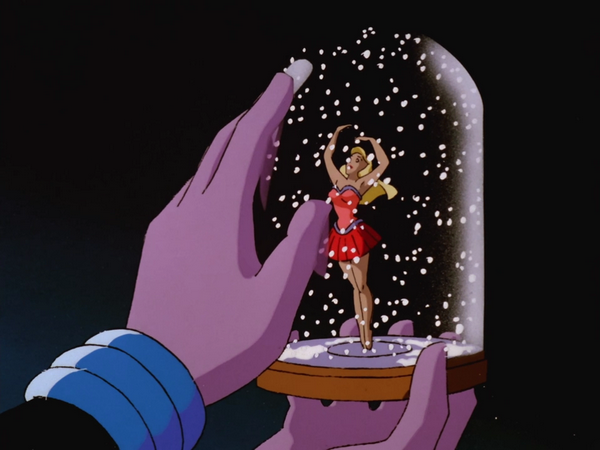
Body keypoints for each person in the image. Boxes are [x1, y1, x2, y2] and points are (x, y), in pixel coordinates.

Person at [323, 124, 397, 350]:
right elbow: (327, 156)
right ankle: (363, 329)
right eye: (351, 158)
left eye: (357, 160)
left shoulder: (361, 184)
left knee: (361, 284)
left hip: (355, 234)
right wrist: (336, 133)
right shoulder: (338, 180)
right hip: (339, 234)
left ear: (364, 166)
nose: (351, 161)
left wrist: (372, 142)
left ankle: (367, 332)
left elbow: (384, 163)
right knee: (355, 286)